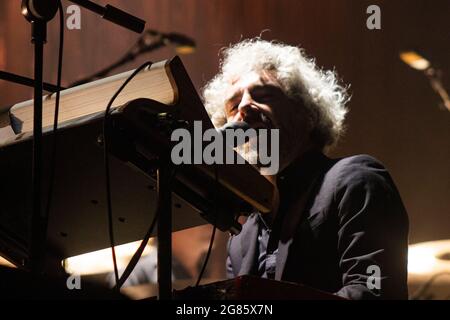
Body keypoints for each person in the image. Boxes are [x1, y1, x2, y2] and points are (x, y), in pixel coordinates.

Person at [202, 38, 409, 300]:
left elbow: (374, 292)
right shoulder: (243, 236)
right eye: (232, 106)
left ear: (307, 112)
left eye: (264, 95)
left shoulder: (355, 179)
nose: (243, 107)